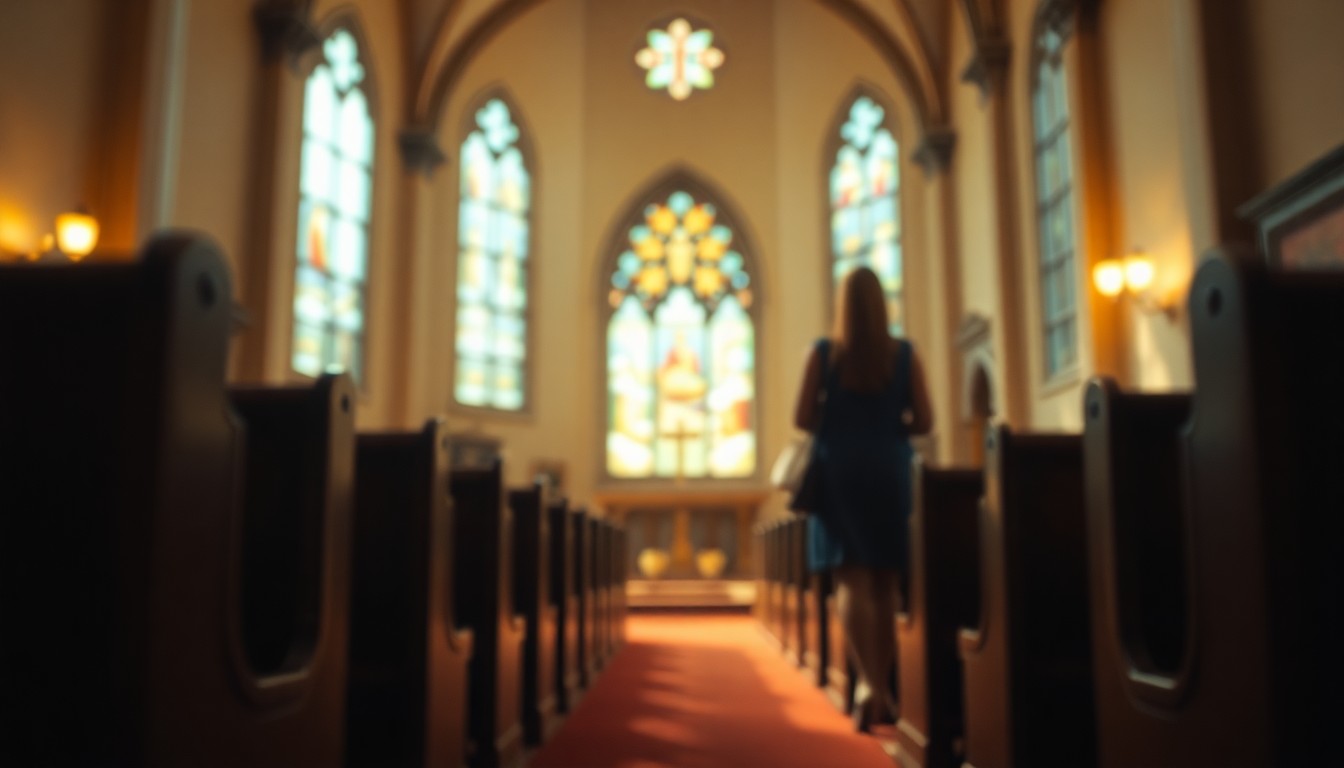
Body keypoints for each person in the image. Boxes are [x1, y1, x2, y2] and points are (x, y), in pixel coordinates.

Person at [792, 265, 933, 733]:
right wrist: (889, 426)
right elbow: (926, 422)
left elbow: (801, 417)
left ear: (842, 305)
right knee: (886, 582)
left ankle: (871, 685)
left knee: (850, 578)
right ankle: (881, 686)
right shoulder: (905, 354)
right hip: (889, 468)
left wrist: (839, 422)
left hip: (839, 471)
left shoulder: (824, 353)